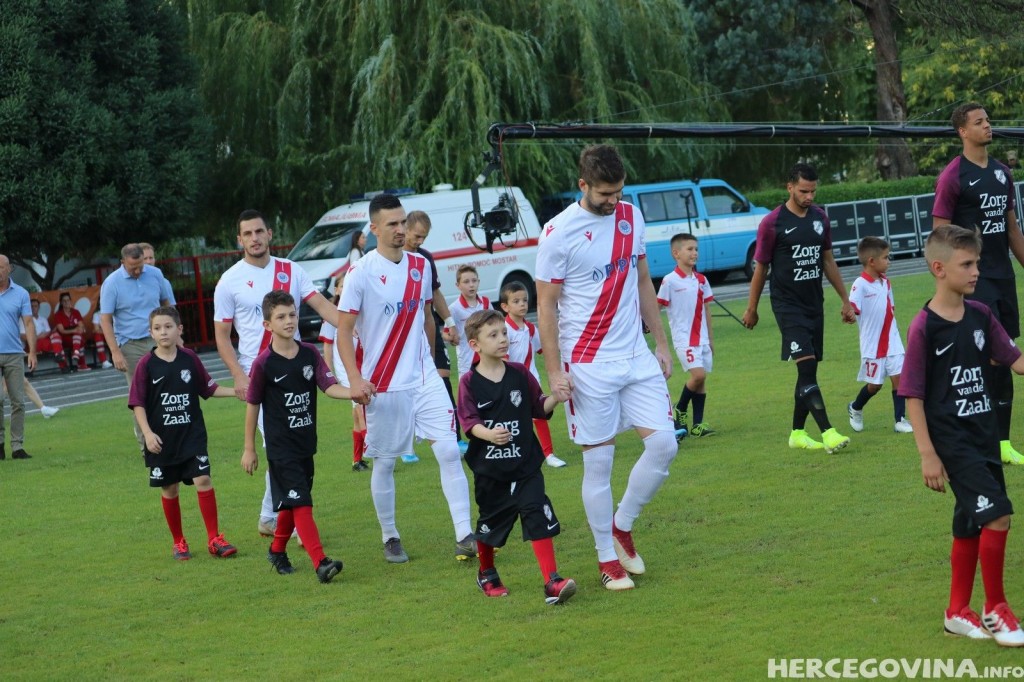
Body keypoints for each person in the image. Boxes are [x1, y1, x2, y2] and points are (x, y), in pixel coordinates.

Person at [536, 144, 679, 591]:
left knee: (665, 447)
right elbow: (545, 305)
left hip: (635, 356)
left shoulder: (630, 217)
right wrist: (555, 372)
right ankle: (605, 559)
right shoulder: (557, 232)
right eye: (603, 194)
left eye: (618, 192)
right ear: (583, 186)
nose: (613, 201)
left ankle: (622, 525)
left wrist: (661, 342)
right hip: (588, 365)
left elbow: (642, 280)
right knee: (599, 464)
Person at [899, 224, 1024, 646]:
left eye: (977, 262)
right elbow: (912, 396)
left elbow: (1016, 360)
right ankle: (995, 609)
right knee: (998, 514)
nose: (976, 271)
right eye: (967, 264)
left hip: (984, 436)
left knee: (970, 523)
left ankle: (956, 611)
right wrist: (927, 454)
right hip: (953, 442)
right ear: (939, 268)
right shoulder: (924, 327)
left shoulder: (981, 315)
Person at [337, 193, 475, 564]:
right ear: (375, 228)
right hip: (383, 383)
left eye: (403, 222)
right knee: (385, 462)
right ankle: (390, 535)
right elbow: (344, 331)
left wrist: (431, 359)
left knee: (448, 450)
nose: (401, 230)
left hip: (423, 377)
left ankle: (465, 533)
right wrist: (354, 380)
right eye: (393, 224)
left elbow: (426, 316)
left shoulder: (420, 266)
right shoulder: (360, 273)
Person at [213, 209, 342, 539]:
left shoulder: (290, 270)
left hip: (296, 372)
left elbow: (323, 307)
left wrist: (356, 327)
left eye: (259, 231)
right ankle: (298, 521)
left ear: (269, 234)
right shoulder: (230, 281)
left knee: (288, 447)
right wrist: (239, 377)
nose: (254, 238)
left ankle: (269, 517)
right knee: (279, 445)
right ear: (239, 240)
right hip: (260, 373)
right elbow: (222, 335)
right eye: (248, 234)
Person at [457, 309, 576, 605]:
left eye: (504, 334)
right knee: (490, 525)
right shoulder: (469, 382)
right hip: (491, 470)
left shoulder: (521, 374)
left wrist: (556, 398)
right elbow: (468, 423)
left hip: (525, 464)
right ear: (475, 345)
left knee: (536, 512)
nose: (502, 340)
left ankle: (552, 581)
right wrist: (489, 434)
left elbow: (539, 408)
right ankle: (487, 572)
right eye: (493, 335)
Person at [242, 290, 357, 583]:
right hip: (280, 448)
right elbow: (252, 405)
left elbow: (329, 386)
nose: (289, 320)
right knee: (302, 502)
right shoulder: (263, 364)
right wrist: (249, 448)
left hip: (305, 442)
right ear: (267, 325)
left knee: (294, 502)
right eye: (281, 317)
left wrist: (354, 392)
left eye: (292, 314)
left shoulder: (309, 353)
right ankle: (321, 562)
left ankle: (277, 550)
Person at [933, 102, 1024, 466]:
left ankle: (1001, 442)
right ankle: (983, 438)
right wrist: (947, 282)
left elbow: (1013, 230)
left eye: (988, 120)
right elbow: (940, 234)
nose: (988, 125)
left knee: (1003, 359)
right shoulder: (953, 176)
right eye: (979, 122)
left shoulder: (1002, 174)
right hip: (974, 283)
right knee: (990, 358)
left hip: (1004, 280)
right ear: (962, 132)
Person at [741, 163, 855, 453]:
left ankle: (796, 433)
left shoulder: (820, 219)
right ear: (789, 187)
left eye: (813, 191)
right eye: (804, 191)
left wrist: (845, 300)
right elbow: (761, 268)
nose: (809, 196)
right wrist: (752, 308)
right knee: (806, 368)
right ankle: (828, 432)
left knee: (808, 373)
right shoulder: (772, 223)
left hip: (814, 304)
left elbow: (827, 260)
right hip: (787, 306)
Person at [128, 306, 237, 561]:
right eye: (157, 328)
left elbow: (208, 388)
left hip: (192, 436)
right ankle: (178, 542)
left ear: (179, 330)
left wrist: (237, 391)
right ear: (151, 333)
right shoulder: (146, 365)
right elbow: (137, 404)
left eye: (168, 327)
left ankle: (214, 539)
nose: (163, 332)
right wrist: (148, 434)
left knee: (203, 480)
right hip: (162, 440)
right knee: (170, 488)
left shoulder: (190, 359)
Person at [100, 243, 174, 451]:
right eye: (133, 266)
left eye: (141, 264)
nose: (139, 270)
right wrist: (115, 352)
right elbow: (105, 319)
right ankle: (147, 445)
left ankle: (170, 437)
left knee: (168, 388)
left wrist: (177, 335)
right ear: (123, 262)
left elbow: (167, 304)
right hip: (130, 343)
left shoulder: (155, 274)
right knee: (140, 394)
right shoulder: (112, 283)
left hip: (158, 339)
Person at [404, 210, 465, 458]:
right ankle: (406, 445)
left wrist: (449, 321)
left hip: (428, 327)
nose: (420, 242)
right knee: (403, 385)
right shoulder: (390, 259)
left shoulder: (426, 259)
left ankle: (453, 437)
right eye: (417, 236)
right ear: (405, 229)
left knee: (442, 376)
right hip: (402, 334)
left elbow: (435, 293)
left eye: (424, 237)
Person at [845, 237, 913, 434]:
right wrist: (850, 314)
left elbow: (890, 308)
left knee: (899, 379)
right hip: (873, 344)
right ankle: (855, 407)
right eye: (885, 257)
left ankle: (900, 420)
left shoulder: (886, 282)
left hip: (892, 341)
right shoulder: (860, 284)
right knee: (875, 386)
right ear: (871, 261)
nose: (889, 260)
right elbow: (853, 306)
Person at [499, 280, 566, 467]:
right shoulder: (503, 330)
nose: (522, 304)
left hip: (532, 380)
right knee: (513, 420)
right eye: (516, 301)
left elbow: (544, 349)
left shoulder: (530, 328)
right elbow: (502, 360)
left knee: (539, 415)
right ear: (505, 306)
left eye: (524, 300)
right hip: (510, 383)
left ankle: (549, 455)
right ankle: (514, 454)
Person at [657, 233, 715, 440]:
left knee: (701, 382)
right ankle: (679, 408)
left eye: (696, 249)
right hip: (684, 339)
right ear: (676, 253)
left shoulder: (701, 280)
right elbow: (656, 307)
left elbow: (706, 310)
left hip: (702, 339)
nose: (695, 253)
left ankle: (698, 425)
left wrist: (711, 340)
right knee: (698, 375)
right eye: (689, 249)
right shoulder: (669, 281)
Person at [319, 276, 369, 472]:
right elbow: (328, 346)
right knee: (361, 410)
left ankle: (357, 460)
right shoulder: (334, 315)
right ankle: (377, 452)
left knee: (357, 415)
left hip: (362, 366)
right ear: (338, 291)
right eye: (341, 286)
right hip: (346, 369)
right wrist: (330, 371)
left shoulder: (359, 310)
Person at [0, 254, 36, 460]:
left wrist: (32, 351)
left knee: (18, 401)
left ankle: (17, 446)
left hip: (14, 353)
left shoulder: (21, 293)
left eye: (1, 267)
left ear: (9, 269)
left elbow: (28, 323)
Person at [450, 265, 490, 380]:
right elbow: (447, 333)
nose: (471, 284)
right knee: (469, 394)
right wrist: (451, 338)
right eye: (466, 282)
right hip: (466, 360)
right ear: (458, 285)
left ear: (478, 282)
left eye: (474, 281)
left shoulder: (485, 302)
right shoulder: (454, 309)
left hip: (487, 357)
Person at [53, 291, 91, 372]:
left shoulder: (76, 312)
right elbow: (61, 330)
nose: (66, 302)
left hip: (76, 339)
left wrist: (78, 329)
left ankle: (76, 355)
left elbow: (81, 326)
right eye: (64, 301)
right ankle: (78, 363)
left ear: (71, 301)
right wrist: (74, 329)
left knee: (78, 335)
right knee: (76, 336)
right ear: (61, 302)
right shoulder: (58, 314)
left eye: (68, 300)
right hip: (64, 339)